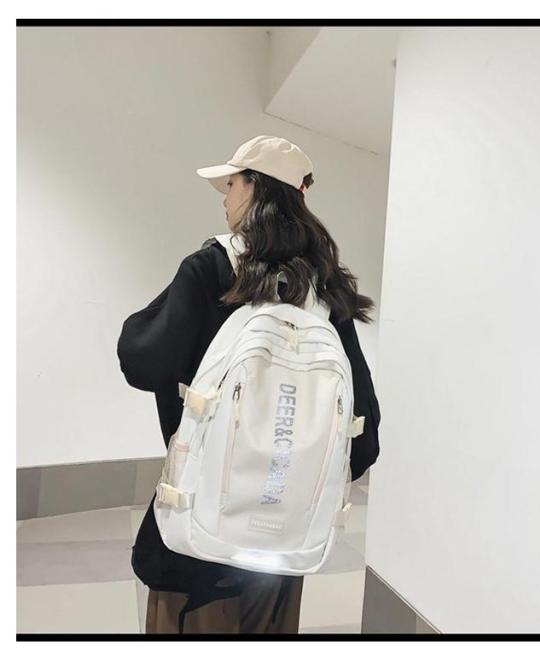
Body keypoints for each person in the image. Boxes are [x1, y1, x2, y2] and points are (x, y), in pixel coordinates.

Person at [117, 135, 381, 634]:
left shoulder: (212, 268)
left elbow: (142, 361)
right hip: (283, 552)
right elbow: (365, 437)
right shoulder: (325, 292)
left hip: (197, 540)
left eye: (232, 184)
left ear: (257, 188)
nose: (225, 198)